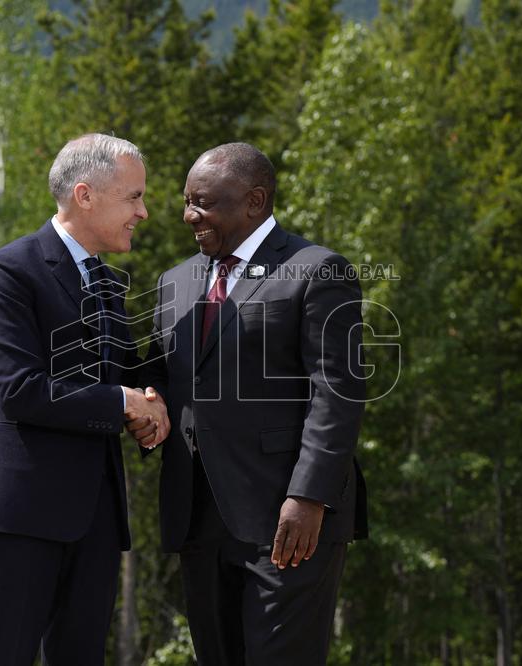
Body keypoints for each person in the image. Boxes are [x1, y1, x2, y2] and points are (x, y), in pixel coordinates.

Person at [129, 142, 368, 665]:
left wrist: (309, 498)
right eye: (186, 201)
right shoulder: (175, 280)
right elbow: (159, 369)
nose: (188, 214)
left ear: (254, 201)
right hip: (197, 516)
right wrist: (148, 398)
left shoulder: (317, 270)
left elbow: (338, 393)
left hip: (287, 521)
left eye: (202, 202)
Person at [0, 133, 169, 665]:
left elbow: (126, 373)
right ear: (85, 195)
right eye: (134, 197)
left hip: (93, 517)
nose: (144, 212)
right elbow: (20, 390)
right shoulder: (6, 273)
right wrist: (123, 403)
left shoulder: (110, 286)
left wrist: (152, 399)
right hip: (17, 514)